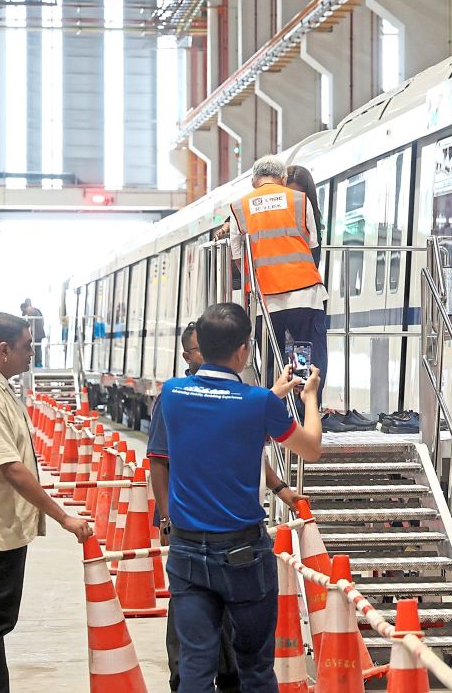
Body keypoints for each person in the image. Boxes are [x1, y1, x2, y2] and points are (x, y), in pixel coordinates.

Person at [155, 303, 322, 692]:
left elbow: (222, 416)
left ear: (199, 347)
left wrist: (273, 393)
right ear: (244, 349)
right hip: (243, 557)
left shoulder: (173, 394)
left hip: (186, 553)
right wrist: (308, 396)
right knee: (255, 667)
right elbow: (310, 447)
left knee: (196, 663)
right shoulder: (256, 404)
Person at [0, 313, 92, 693]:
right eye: (27, 346)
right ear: (4, 351)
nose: (32, 354)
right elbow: (12, 470)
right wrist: (63, 516)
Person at [228, 156, 329, 395]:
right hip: (305, 295)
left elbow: (237, 256)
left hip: (267, 300)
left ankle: (279, 413)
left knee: (273, 358)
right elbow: (311, 242)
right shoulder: (299, 200)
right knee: (303, 353)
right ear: (283, 179)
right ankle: (304, 411)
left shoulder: (239, 207)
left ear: (254, 182)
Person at [286, 164, 324, 267]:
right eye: (290, 195)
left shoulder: (313, 219)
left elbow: (315, 258)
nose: (295, 201)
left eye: (299, 196)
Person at [19, 300, 45, 368]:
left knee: (37, 348)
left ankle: (38, 363)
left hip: (37, 334)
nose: (26, 314)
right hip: (37, 334)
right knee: (36, 348)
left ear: (27, 307)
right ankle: (37, 363)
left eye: (25, 311)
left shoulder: (33, 311)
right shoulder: (36, 311)